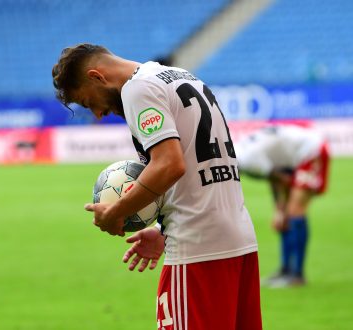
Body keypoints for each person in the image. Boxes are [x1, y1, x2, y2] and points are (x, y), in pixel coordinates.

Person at [52, 43, 262, 329]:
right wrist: (164, 231)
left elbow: (169, 165)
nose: (98, 114)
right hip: (239, 244)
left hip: (197, 251)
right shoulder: (181, 76)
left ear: (96, 77)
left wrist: (117, 211)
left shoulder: (137, 89)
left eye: (89, 103)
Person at [236, 125, 330, 287]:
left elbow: (280, 179)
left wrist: (280, 211)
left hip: (311, 152)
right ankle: (286, 270)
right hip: (294, 157)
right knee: (287, 214)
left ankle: (296, 274)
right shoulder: (240, 150)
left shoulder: (248, 161)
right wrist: (280, 210)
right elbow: (276, 176)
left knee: (295, 212)